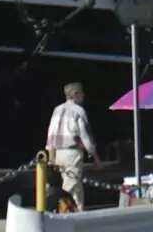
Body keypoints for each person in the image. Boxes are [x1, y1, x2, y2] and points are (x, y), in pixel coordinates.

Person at [46, 81, 100, 213]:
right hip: (72, 153)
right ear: (75, 94)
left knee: (62, 186)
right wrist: (95, 157)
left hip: (58, 153)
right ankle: (75, 214)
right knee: (73, 187)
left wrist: (51, 156)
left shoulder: (57, 110)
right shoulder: (79, 111)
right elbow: (85, 136)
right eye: (81, 93)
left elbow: (51, 134)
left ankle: (61, 211)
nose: (83, 96)